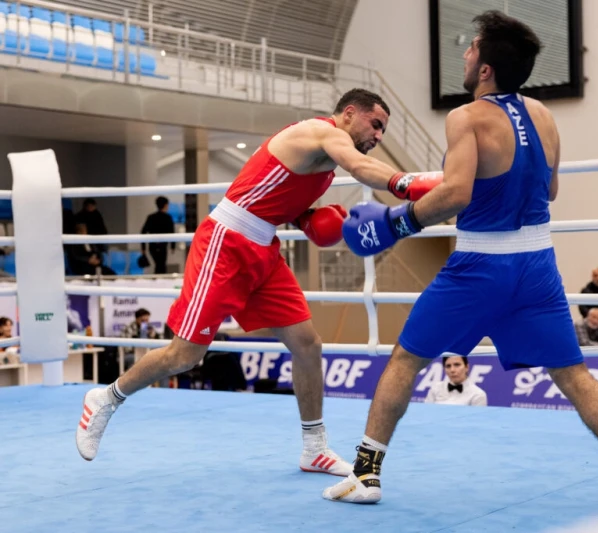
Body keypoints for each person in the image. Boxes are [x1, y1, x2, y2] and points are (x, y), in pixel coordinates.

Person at [323, 11, 598, 510]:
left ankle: (365, 476)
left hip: (481, 265)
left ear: (485, 68)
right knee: (573, 374)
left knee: (406, 359)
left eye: (470, 48)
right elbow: (549, 190)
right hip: (538, 265)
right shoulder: (545, 116)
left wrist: (398, 223)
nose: (464, 54)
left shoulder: (465, 117)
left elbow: (457, 193)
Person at [75, 88, 442, 475]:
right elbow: (362, 168)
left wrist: (308, 219)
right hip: (227, 243)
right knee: (185, 356)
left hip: (262, 248)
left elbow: (279, 196)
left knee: (307, 345)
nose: (379, 136)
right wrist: (412, 184)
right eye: (376, 125)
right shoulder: (324, 134)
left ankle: (314, 447)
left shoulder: (321, 157)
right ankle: (106, 397)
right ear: (349, 114)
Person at [140, 197, 176, 274]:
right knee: (161, 265)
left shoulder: (151, 217)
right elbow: (172, 232)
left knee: (159, 265)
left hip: (152, 246)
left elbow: (143, 232)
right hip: (163, 245)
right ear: (165, 205)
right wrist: (173, 246)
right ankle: (160, 281)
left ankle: (158, 280)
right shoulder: (167, 218)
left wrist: (143, 248)